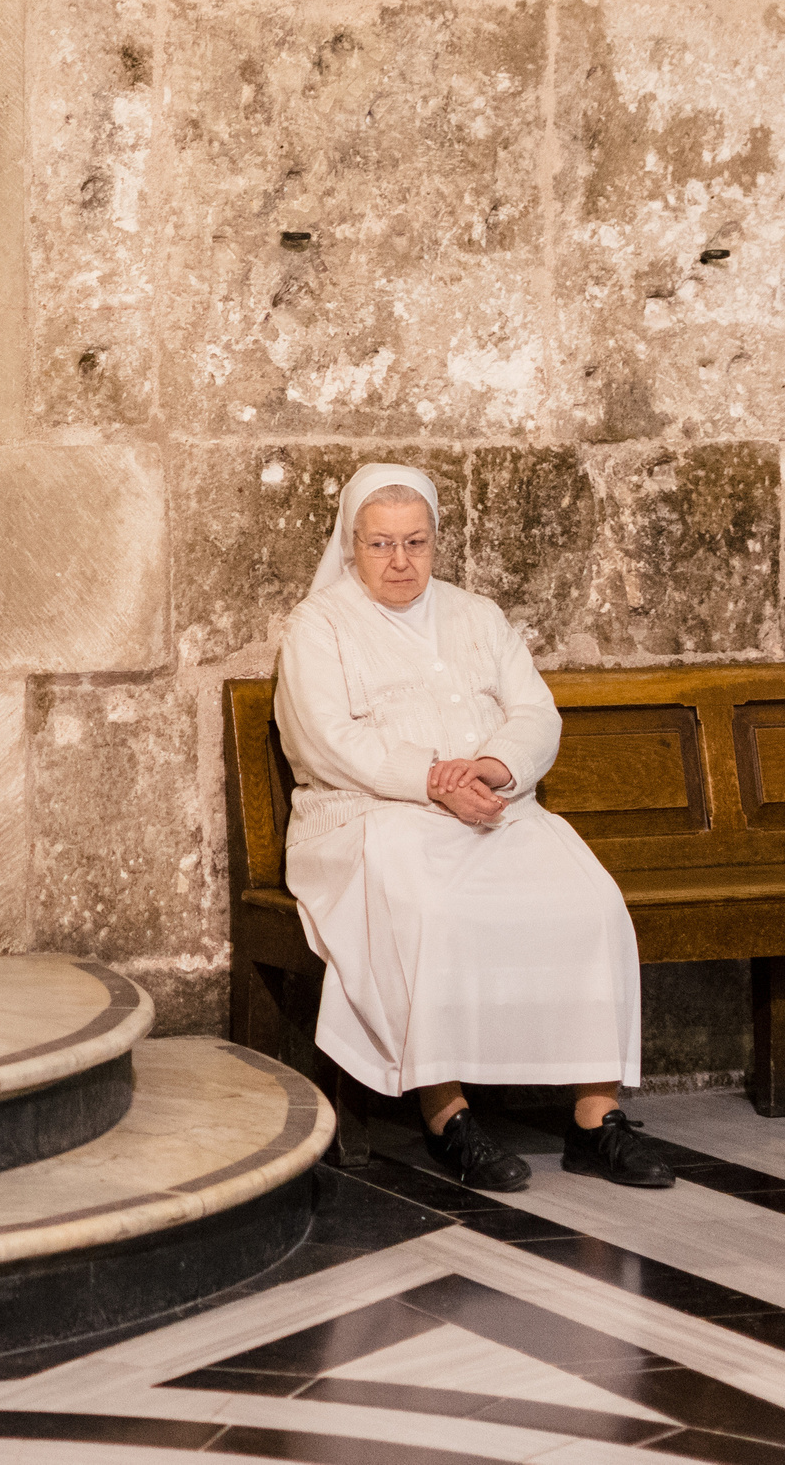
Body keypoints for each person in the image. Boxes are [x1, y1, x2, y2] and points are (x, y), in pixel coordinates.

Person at [271, 464, 672, 1191]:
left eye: (415, 543)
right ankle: (446, 1112)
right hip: (370, 814)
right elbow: (327, 740)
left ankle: (595, 1117)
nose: (400, 562)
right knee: (436, 910)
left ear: (435, 543)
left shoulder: (477, 616)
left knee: (592, 904)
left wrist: (490, 769)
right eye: (382, 545)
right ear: (352, 544)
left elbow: (535, 714)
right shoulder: (318, 625)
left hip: (491, 804)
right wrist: (431, 781)